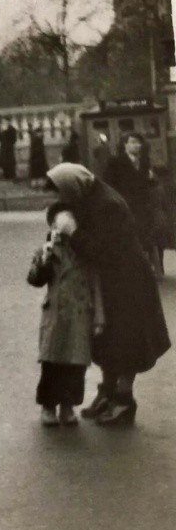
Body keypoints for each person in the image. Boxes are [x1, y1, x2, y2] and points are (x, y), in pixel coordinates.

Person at [45, 163, 170, 425]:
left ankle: (124, 401)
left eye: (62, 191)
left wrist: (73, 232)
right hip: (112, 280)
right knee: (107, 341)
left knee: (127, 342)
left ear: (73, 186)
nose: (61, 197)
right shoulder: (90, 195)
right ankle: (108, 394)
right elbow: (65, 211)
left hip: (128, 283)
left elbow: (102, 252)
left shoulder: (107, 205)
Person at [27, 202, 104, 426]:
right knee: (52, 363)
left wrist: (99, 318)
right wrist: (44, 259)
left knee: (76, 365)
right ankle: (48, 406)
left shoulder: (86, 252)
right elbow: (35, 279)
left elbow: (95, 286)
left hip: (80, 316)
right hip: (55, 316)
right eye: (58, 223)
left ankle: (68, 406)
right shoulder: (48, 250)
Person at [103, 132, 155, 266]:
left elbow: (148, 184)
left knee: (143, 237)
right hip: (124, 206)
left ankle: (143, 266)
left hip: (142, 206)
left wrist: (151, 179)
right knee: (126, 237)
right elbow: (108, 184)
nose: (136, 145)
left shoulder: (144, 162)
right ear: (125, 145)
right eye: (133, 142)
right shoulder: (115, 162)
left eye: (138, 142)